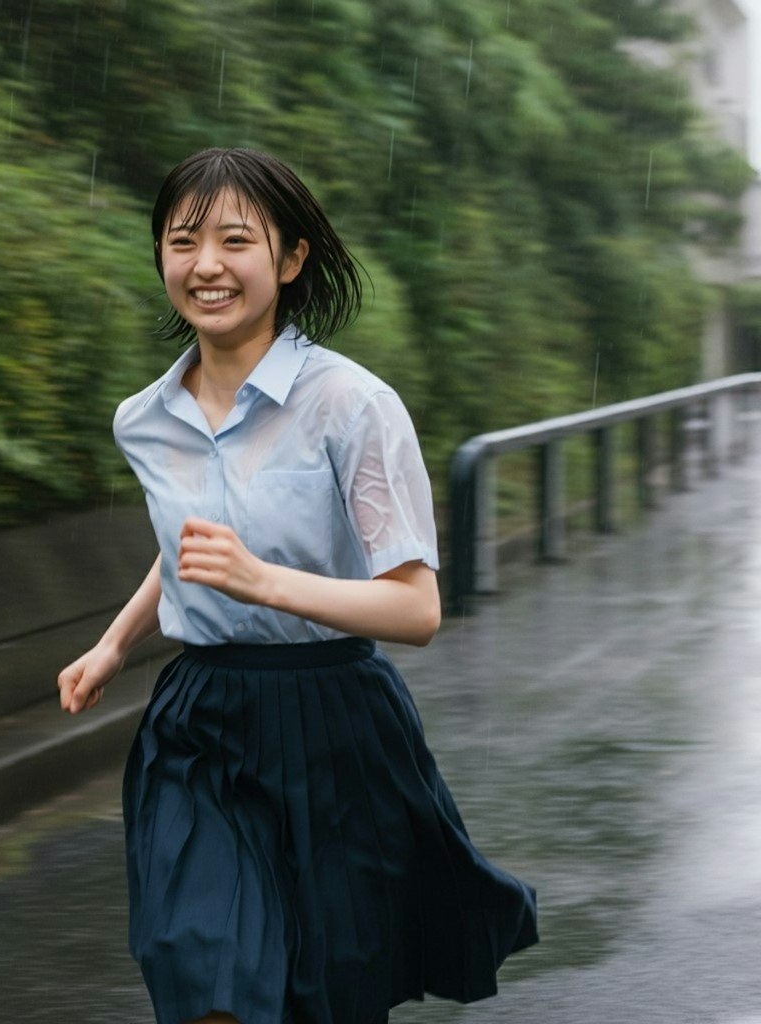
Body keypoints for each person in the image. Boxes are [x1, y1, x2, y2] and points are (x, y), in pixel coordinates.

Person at [57, 147, 537, 1024]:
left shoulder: (352, 406)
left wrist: (263, 582)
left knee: (326, 993)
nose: (206, 265)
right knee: (201, 968)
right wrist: (115, 643)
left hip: (334, 723)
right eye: (182, 241)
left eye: (235, 240)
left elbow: (416, 608)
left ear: (289, 259)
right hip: (197, 722)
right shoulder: (143, 419)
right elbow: (187, 549)